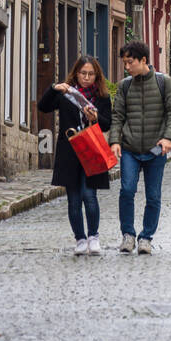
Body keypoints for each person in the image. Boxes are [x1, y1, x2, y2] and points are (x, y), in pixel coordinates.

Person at [109, 40, 171, 255]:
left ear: (143, 60)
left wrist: (168, 138)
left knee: (153, 195)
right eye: (125, 63)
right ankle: (128, 235)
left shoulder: (164, 83)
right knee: (127, 190)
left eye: (130, 62)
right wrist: (114, 141)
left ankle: (146, 237)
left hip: (155, 149)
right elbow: (118, 116)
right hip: (130, 148)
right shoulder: (125, 86)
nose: (127, 67)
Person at [38, 56, 112, 257]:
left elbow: (107, 123)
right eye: (83, 73)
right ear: (76, 74)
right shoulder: (66, 94)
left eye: (91, 74)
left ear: (96, 76)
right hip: (69, 152)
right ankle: (79, 238)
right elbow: (43, 107)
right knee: (73, 199)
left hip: (91, 150)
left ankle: (93, 237)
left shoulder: (102, 97)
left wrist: (95, 117)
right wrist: (55, 88)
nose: (86, 78)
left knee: (89, 196)